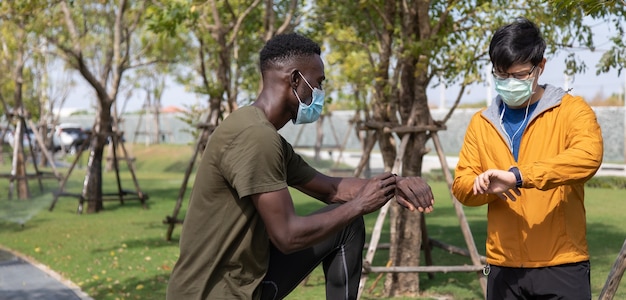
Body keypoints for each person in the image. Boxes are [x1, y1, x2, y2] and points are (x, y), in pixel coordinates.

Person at [166, 32, 435, 300]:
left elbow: (331, 189)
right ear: (295, 79)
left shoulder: (262, 132)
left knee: (348, 225)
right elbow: (287, 236)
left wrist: (395, 183)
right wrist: (358, 206)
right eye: (318, 83)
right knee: (349, 216)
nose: (320, 93)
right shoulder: (255, 137)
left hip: (246, 281)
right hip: (214, 293)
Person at [452, 18, 603, 299]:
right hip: (502, 267)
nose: (510, 83)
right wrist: (483, 186)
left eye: (520, 75)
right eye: (501, 74)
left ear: (540, 66)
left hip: (562, 263)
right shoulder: (481, 122)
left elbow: (588, 157)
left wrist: (518, 176)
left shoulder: (571, 111)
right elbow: (461, 185)